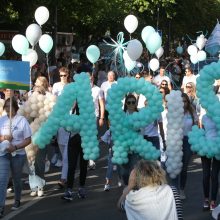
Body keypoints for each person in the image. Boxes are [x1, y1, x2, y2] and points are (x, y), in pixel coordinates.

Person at [118, 160, 183, 220]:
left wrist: (130, 186)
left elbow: (120, 206)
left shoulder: (131, 199)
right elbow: (178, 216)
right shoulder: (171, 191)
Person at [0, 98, 32, 217]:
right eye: (6, 106)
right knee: (2, 181)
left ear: (15, 107)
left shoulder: (22, 120)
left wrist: (16, 146)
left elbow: (28, 139)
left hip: (18, 154)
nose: (8, 108)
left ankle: (17, 199)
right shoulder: (1, 120)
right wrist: (3, 138)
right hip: (3, 154)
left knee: (16, 179)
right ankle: (1, 207)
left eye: (10, 106)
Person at [178, 93, 198, 199]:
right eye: (181, 101)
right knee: (176, 166)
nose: (183, 103)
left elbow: (195, 127)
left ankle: (181, 189)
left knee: (184, 167)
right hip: (177, 140)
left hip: (188, 141)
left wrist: (195, 142)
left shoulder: (192, 111)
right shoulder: (176, 111)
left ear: (188, 102)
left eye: (185, 101)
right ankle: (174, 188)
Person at [201, 114, 220, 211]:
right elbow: (203, 131)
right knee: (205, 175)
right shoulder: (204, 117)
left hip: (217, 147)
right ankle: (206, 199)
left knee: (214, 175)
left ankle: (213, 201)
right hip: (205, 147)